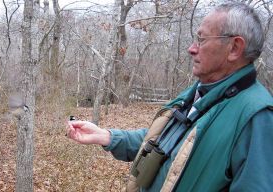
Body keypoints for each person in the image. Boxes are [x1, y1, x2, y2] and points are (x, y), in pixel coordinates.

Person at [67, 2, 273, 192]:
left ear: (234, 48)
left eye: (201, 39)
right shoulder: (200, 93)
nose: (191, 48)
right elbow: (164, 140)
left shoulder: (257, 117)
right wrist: (108, 137)